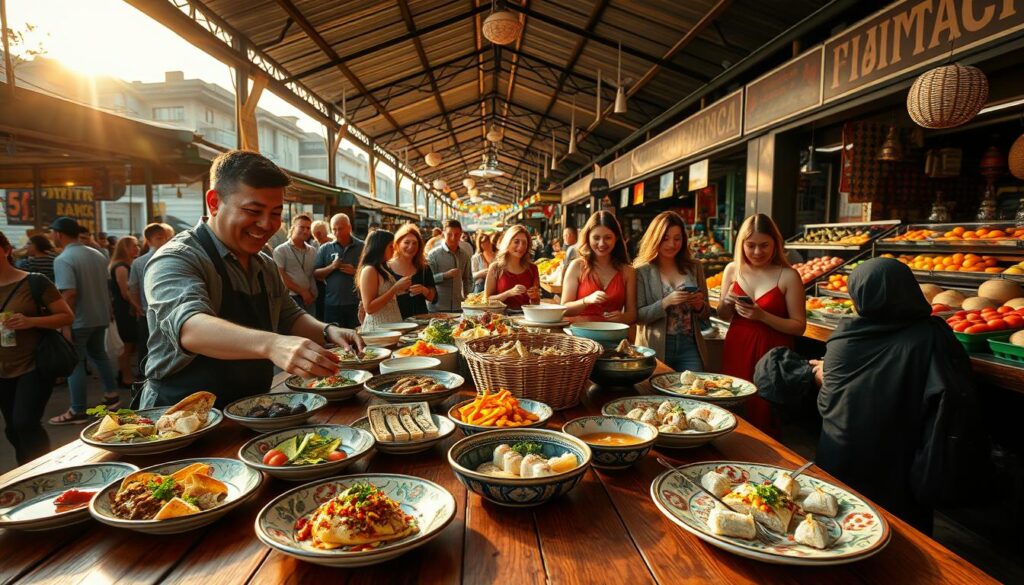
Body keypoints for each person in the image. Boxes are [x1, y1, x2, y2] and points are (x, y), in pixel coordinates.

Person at [141, 150, 363, 409]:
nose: (266, 224)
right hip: (177, 417)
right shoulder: (176, 258)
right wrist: (272, 344)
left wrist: (328, 331)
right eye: (252, 210)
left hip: (250, 409)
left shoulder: (263, 262)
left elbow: (288, 316)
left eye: (276, 213)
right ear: (214, 202)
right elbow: (189, 327)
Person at [815, 258, 986, 534]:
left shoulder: (845, 340)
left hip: (843, 460)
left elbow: (827, 404)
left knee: (838, 533)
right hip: (904, 462)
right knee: (905, 540)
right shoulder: (934, 335)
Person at [718, 213, 805, 437]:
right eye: (751, 245)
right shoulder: (732, 270)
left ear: (776, 244)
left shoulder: (788, 275)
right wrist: (726, 303)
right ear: (742, 245)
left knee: (766, 411)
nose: (758, 252)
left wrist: (763, 316)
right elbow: (724, 315)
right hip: (737, 346)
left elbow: (798, 326)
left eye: (764, 245)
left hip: (772, 354)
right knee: (734, 404)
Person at [0, 231, 74, 463]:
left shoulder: (34, 281)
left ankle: (40, 476)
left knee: (25, 423)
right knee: (12, 428)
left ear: (6, 250)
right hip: (2, 368)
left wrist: (30, 321)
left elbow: (66, 316)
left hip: (33, 364)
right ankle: (29, 470)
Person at [48, 217, 120, 424]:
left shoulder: (63, 259)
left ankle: (78, 410)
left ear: (59, 234)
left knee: (75, 362)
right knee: (99, 354)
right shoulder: (96, 254)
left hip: (79, 319)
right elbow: (106, 287)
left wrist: (64, 323)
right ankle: (112, 396)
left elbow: (69, 293)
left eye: (52, 232)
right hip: (99, 315)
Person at [634, 211, 711, 371]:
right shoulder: (642, 271)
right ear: (655, 238)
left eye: (677, 238)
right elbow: (638, 316)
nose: (672, 244)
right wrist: (666, 302)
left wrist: (699, 305)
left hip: (689, 346)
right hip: (655, 347)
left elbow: (706, 313)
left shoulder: (694, 267)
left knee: (693, 393)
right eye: (665, 238)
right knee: (656, 394)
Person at [561, 211, 636, 324]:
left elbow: (632, 315)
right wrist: (586, 300)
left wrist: (622, 318)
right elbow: (563, 309)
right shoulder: (577, 266)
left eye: (608, 238)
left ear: (616, 238)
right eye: (596, 238)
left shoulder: (628, 271)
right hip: (579, 338)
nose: (601, 244)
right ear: (588, 238)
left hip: (613, 337)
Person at [129, 223, 173, 371]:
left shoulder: (173, 256)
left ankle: (147, 375)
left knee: (150, 347)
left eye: (166, 238)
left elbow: (133, 288)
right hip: (151, 312)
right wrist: (138, 307)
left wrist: (138, 306)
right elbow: (133, 288)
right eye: (159, 238)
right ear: (149, 240)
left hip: (160, 311)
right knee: (149, 347)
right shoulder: (140, 262)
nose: (164, 241)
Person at [313, 213, 364, 328]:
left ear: (349, 228)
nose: (337, 233)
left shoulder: (362, 247)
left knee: (357, 338)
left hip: (356, 303)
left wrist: (356, 272)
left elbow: (372, 272)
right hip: (332, 304)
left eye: (340, 229)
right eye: (334, 229)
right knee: (334, 341)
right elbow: (315, 274)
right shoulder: (325, 248)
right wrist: (332, 267)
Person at [357, 231, 407, 329]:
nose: (394, 250)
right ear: (379, 247)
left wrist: (403, 289)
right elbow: (369, 308)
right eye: (390, 246)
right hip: (378, 329)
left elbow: (386, 295)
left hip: (392, 325)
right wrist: (395, 289)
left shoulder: (383, 267)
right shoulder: (369, 270)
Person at [386, 223, 436, 318]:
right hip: (394, 321)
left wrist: (423, 290)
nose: (411, 246)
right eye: (406, 242)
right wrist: (395, 289)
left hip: (420, 321)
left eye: (415, 243)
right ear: (397, 244)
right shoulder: (386, 267)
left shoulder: (424, 268)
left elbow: (433, 298)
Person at [109, 236, 140, 388]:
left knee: (130, 345)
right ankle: (125, 377)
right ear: (125, 248)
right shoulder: (121, 266)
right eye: (134, 246)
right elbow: (124, 292)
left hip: (126, 310)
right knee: (126, 346)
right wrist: (137, 305)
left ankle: (125, 375)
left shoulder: (126, 264)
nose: (137, 248)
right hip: (124, 311)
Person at [485, 225, 540, 310]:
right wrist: (508, 293)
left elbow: (536, 303)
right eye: (516, 242)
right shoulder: (495, 268)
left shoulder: (533, 268)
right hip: (501, 319)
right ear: (508, 242)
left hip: (525, 319)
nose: (521, 246)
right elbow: (487, 300)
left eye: (524, 243)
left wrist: (535, 297)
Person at [273, 214, 318, 313]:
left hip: (310, 298)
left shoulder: (312, 250)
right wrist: (303, 292)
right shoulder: (280, 250)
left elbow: (313, 274)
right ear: (293, 228)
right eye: (302, 227)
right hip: (291, 299)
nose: (305, 231)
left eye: (308, 228)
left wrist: (311, 294)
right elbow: (281, 277)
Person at [427, 220, 472, 312]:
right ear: (443, 234)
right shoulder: (433, 255)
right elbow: (428, 281)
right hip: (437, 308)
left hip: (458, 307)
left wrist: (469, 298)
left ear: (460, 235)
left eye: (456, 234)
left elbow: (467, 279)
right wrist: (445, 275)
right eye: (449, 234)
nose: (453, 238)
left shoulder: (464, 255)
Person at [310, 219, 332, 320]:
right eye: (314, 233)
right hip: (317, 284)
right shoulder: (313, 245)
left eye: (319, 233)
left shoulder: (332, 244)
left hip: (330, 284)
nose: (317, 236)